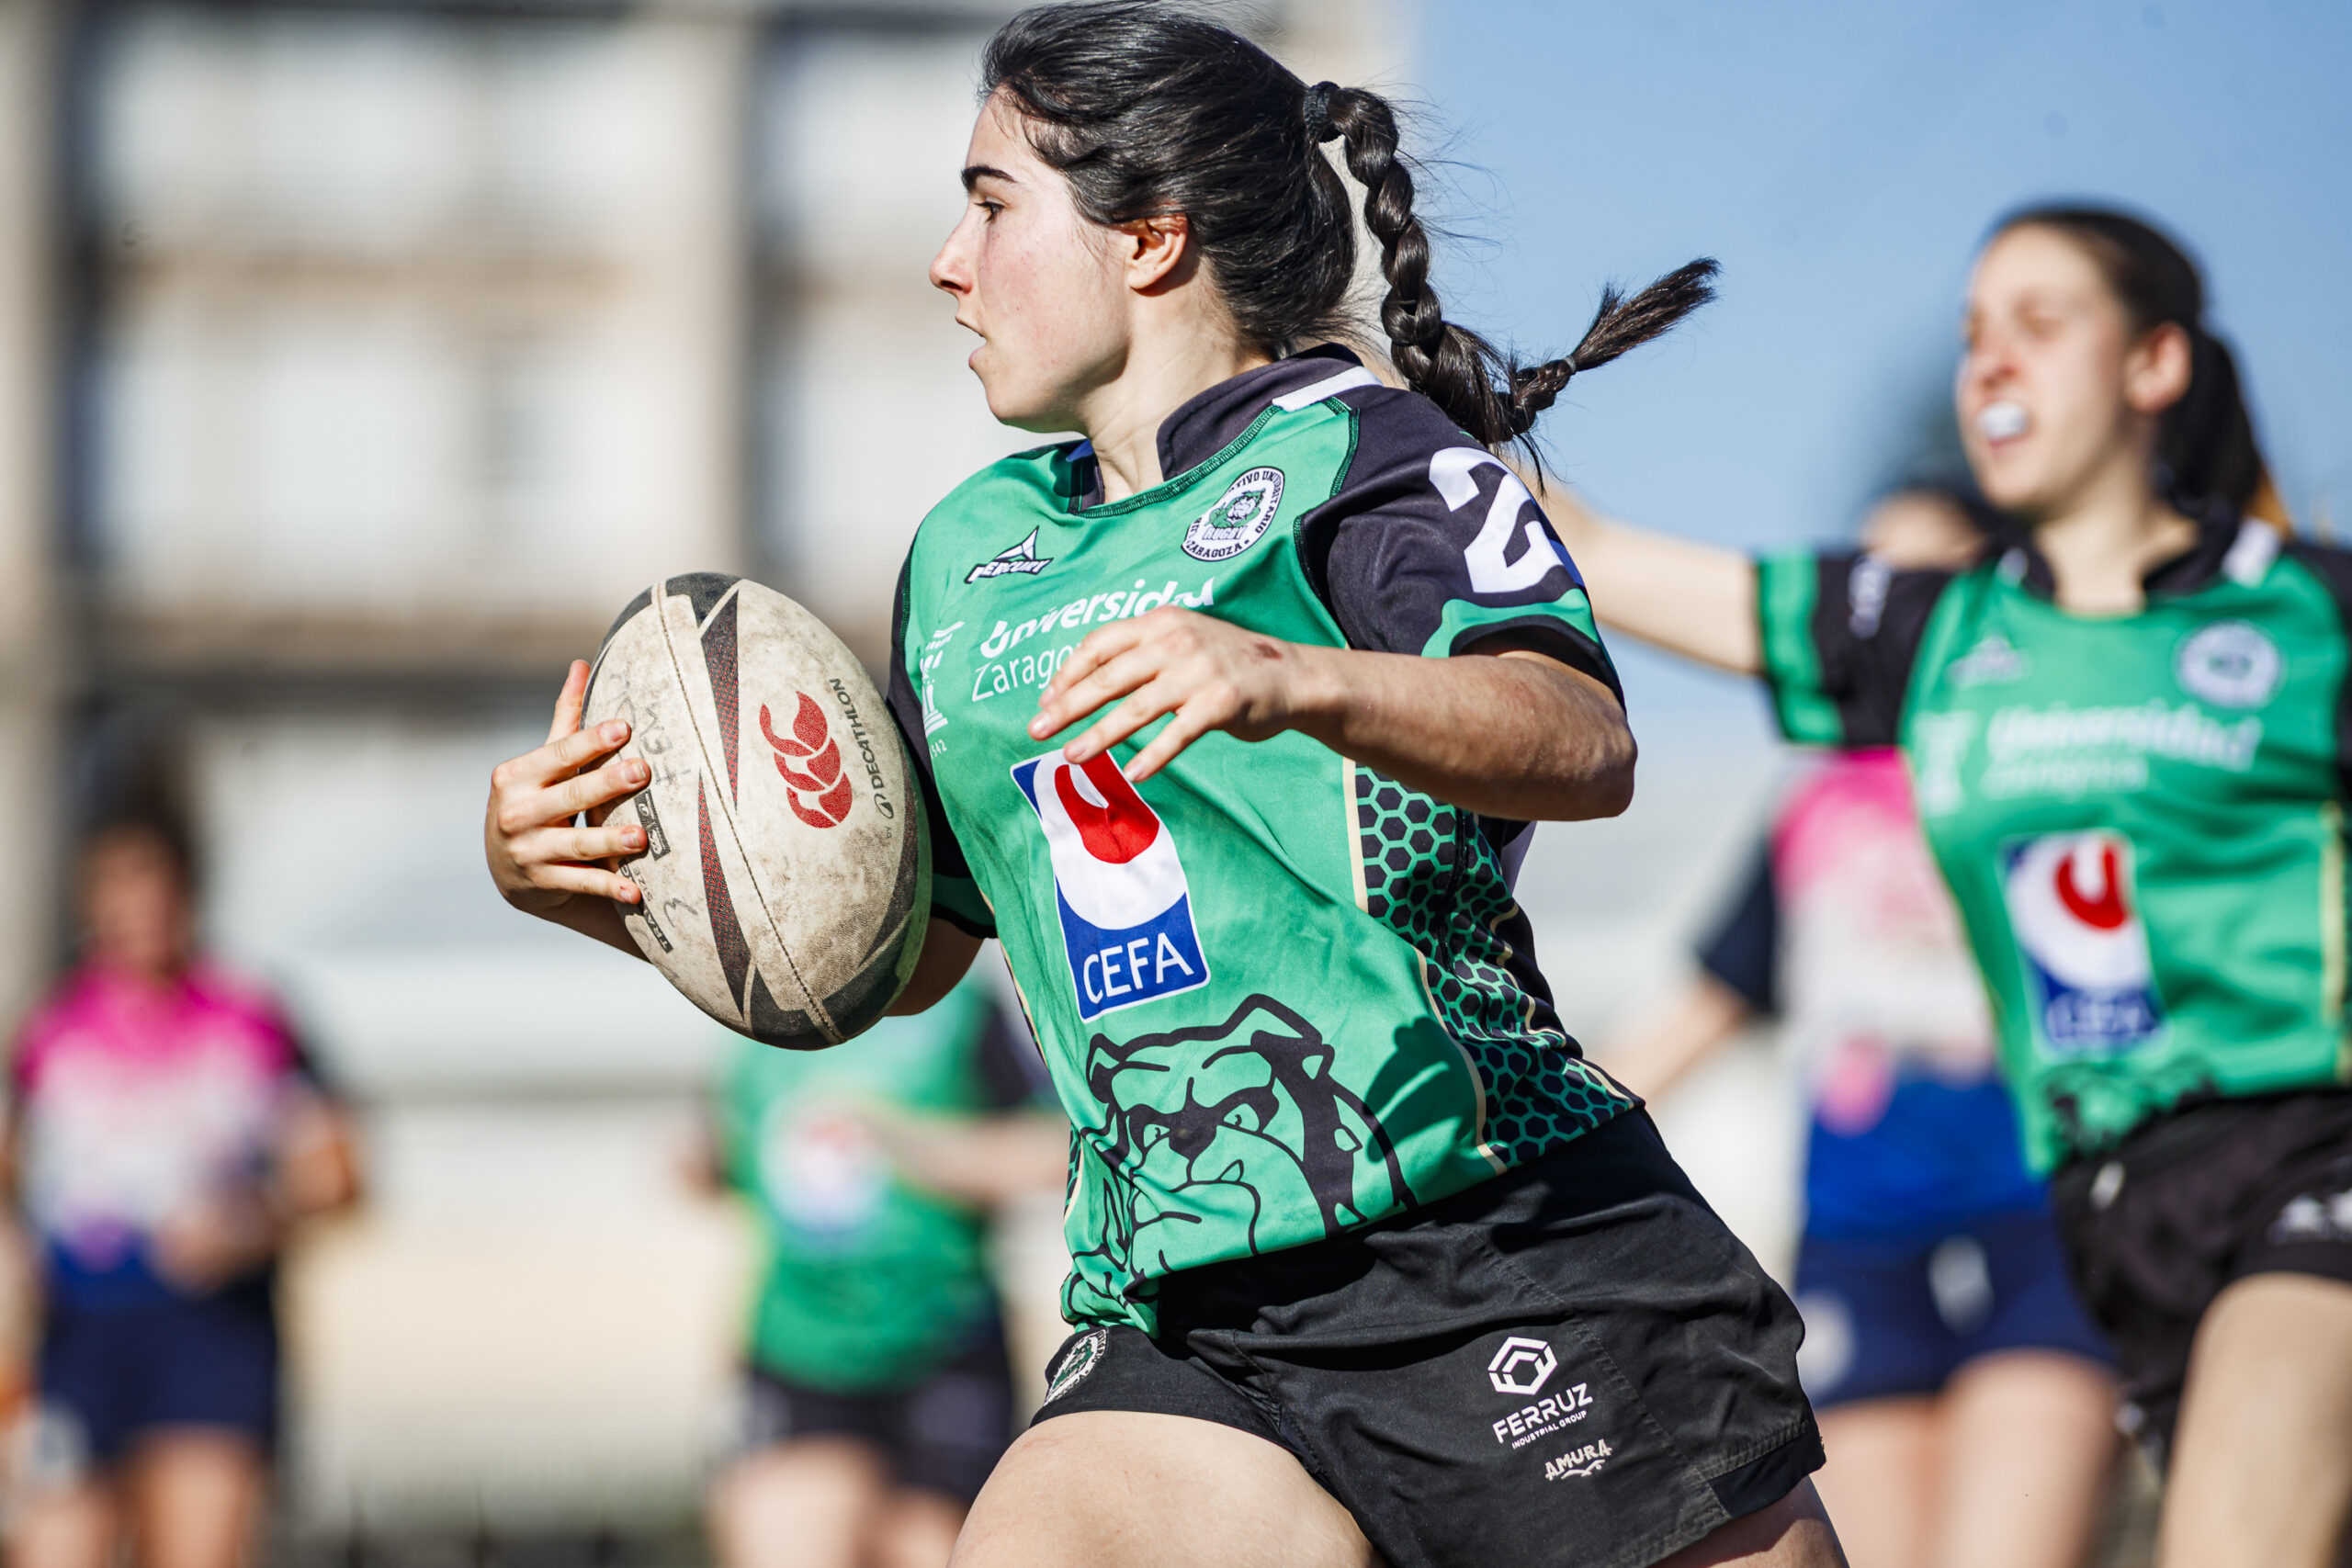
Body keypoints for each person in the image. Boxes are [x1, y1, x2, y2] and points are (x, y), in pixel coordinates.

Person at [486, 6, 1849, 1564]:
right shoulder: (969, 559)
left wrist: (1297, 673)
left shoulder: (1373, 458)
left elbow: (1577, 736)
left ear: (1150, 235)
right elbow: (898, 955)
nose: (947, 258)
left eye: (991, 203)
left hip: (1499, 1243)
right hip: (1184, 1305)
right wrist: (594, 882)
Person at [1550, 207, 2352, 1568]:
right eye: (1976, 333)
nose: (1990, 363)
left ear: (2156, 364)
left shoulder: (2310, 610)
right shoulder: (1935, 634)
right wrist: (1390, 379)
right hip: (2106, 1201)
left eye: (2041, 327)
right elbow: (1605, 558)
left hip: (2307, 1160)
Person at [1608, 489, 2120, 1568]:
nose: (1885, 607)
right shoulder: (1812, 805)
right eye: (1870, 571)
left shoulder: (2054, 770)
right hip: (1861, 1241)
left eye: (1924, 577)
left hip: (2037, 1223)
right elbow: (1708, 1007)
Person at [3, 820, 360, 1568]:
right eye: (117, 901)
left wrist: (251, 1224)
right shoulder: (50, 1030)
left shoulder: (252, 1021)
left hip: (210, 1336)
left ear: (186, 902)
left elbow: (337, 1174)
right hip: (77, 1340)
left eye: (153, 897)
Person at [700, 972, 1065, 1568]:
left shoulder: (959, 1006)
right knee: (791, 1533)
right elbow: (723, 1154)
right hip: (801, 1349)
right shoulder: (749, 1012)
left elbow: (1057, 1146)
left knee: (933, 1547)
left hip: (944, 1341)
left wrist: (915, 1148)